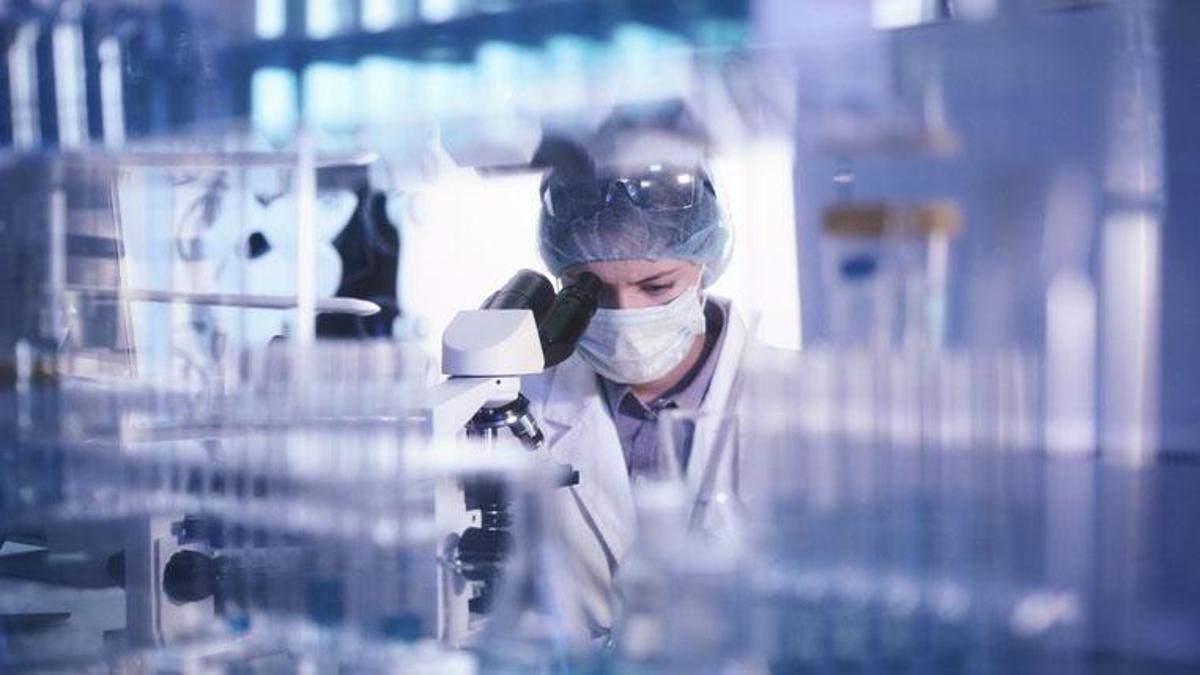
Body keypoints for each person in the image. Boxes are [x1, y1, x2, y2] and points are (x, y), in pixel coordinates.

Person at [520, 101, 758, 636]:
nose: (626, 315)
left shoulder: (796, 399)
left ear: (705, 264)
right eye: (594, 291)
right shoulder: (519, 404)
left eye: (657, 286)